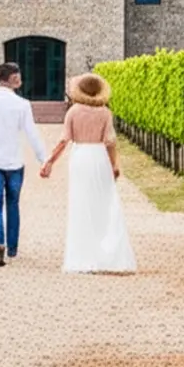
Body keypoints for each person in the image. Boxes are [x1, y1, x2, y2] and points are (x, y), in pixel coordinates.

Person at [40, 73, 136, 275]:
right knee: (103, 203)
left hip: (81, 156)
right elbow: (110, 143)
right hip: (99, 156)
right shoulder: (105, 113)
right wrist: (114, 165)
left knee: (81, 203)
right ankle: (106, 254)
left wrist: (50, 161)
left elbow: (64, 140)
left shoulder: (73, 112)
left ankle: (83, 255)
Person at [0, 62, 47, 267]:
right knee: (13, 204)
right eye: (18, 75)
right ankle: (12, 248)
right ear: (13, 78)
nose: (20, 78)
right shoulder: (22, 104)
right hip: (14, 162)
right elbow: (32, 133)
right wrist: (43, 159)